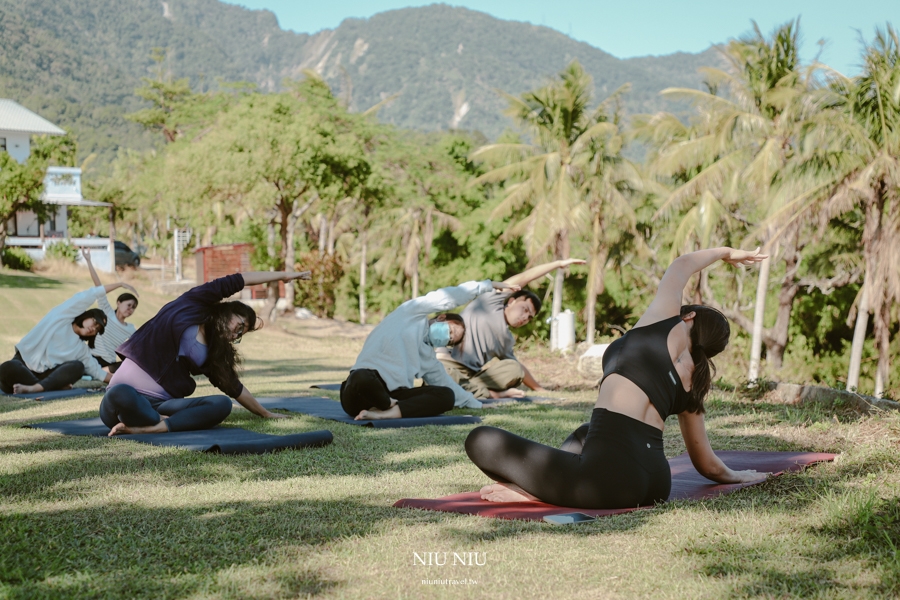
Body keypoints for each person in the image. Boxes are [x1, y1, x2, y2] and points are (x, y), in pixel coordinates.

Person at [464, 248, 771, 509]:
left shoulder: (664, 323)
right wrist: (744, 475)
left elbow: (682, 265)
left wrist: (727, 254)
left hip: (606, 483)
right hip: (654, 484)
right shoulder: (694, 382)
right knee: (587, 433)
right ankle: (550, 483)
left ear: (689, 316)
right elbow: (707, 464)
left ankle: (536, 491)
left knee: (480, 439)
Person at [99, 270, 311, 436]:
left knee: (221, 404)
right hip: (122, 401)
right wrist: (283, 276)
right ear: (230, 311)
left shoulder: (214, 352)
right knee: (121, 392)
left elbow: (234, 388)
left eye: (240, 335)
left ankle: (153, 426)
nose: (235, 335)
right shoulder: (192, 304)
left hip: (163, 404)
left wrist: (265, 413)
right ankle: (156, 420)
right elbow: (239, 279)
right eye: (240, 326)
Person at [340, 279, 520, 421]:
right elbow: (449, 296)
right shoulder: (411, 313)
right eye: (450, 330)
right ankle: (386, 405)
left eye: (450, 340)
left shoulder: (429, 358)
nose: (447, 337)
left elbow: (448, 386)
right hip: (363, 389)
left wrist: (477, 404)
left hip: (394, 394)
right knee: (360, 377)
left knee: (445, 395)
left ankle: (385, 413)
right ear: (441, 317)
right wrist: (486, 286)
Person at [438, 258, 586, 399]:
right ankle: (479, 393)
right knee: (444, 374)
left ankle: (467, 390)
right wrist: (558, 263)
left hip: (474, 377)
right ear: (511, 301)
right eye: (525, 309)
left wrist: (540, 389)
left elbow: (518, 368)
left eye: (529, 317)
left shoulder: (506, 339)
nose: (525, 318)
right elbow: (525, 277)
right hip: (450, 364)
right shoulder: (490, 301)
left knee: (515, 369)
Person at [0, 283, 120, 395]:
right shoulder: (62, 317)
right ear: (87, 316)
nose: (93, 328)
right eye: (94, 322)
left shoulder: (81, 350)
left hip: (46, 377)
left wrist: (123, 381)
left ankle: (36, 388)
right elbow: (87, 296)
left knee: (78, 366)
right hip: (23, 367)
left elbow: (98, 372)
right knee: (8, 367)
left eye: (97, 329)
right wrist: (119, 284)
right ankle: (47, 387)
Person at [82, 248, 138, 373]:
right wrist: (88, 260)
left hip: (109, 364)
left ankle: (99, 373)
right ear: (119, 303)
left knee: (128, 365)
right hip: (91, 357)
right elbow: (98, 287)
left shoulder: (131, 329)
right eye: (129, 305)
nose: (131, 309)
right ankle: (94, 372)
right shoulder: (106, 312)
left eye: (133, 307)